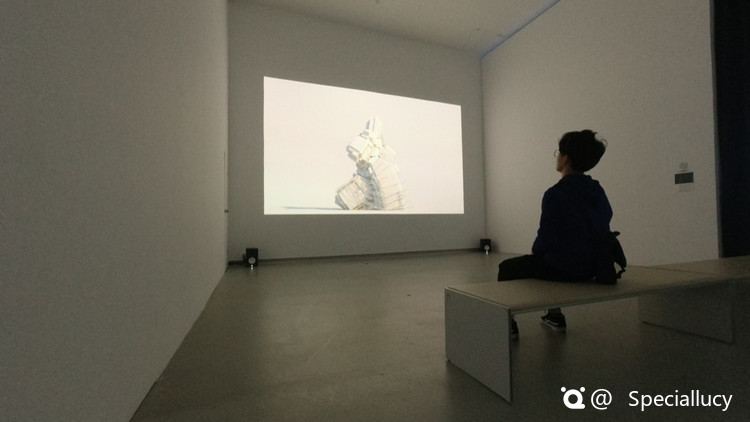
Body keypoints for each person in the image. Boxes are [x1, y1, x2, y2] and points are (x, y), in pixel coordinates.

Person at [497, 130, 613, 338]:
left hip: (565, 269)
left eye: (558, 153)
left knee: (506, 268)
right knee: (550, 260)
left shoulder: (555, 193)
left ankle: (506, 324)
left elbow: (546, 238)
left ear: (565, 158)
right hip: (593, 267)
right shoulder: (597, 190)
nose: (557, 157)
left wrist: (535, 252)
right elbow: (605, 221)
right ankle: (554, 315)